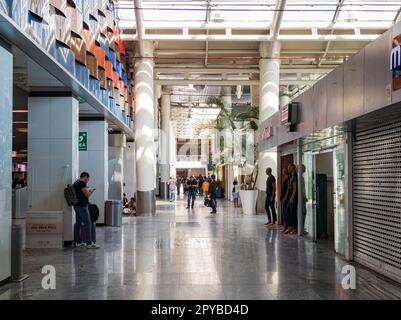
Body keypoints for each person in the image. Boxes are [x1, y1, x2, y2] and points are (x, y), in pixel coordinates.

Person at [73, 172, 99, 249]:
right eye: (87, 179)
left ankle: (79, 242)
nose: (87, 181)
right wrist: (91, 191)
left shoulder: (75, 183)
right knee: (88, 224)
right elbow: (87, 195)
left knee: (78, 224)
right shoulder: (82, 183)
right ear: (85, 177)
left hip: (76, 206)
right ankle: (89, 243)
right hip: (83, 207)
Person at [284, 164, 298, 235]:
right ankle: (290, 226)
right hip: (290, 197)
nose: (288, 169)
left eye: (289, 167)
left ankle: (295, 227)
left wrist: (292, 197)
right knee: (287, 212)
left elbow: (295, 188)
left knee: (293, 213)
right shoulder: (292, 176)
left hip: (293, 198)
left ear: (293, 168)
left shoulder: (295, 176)